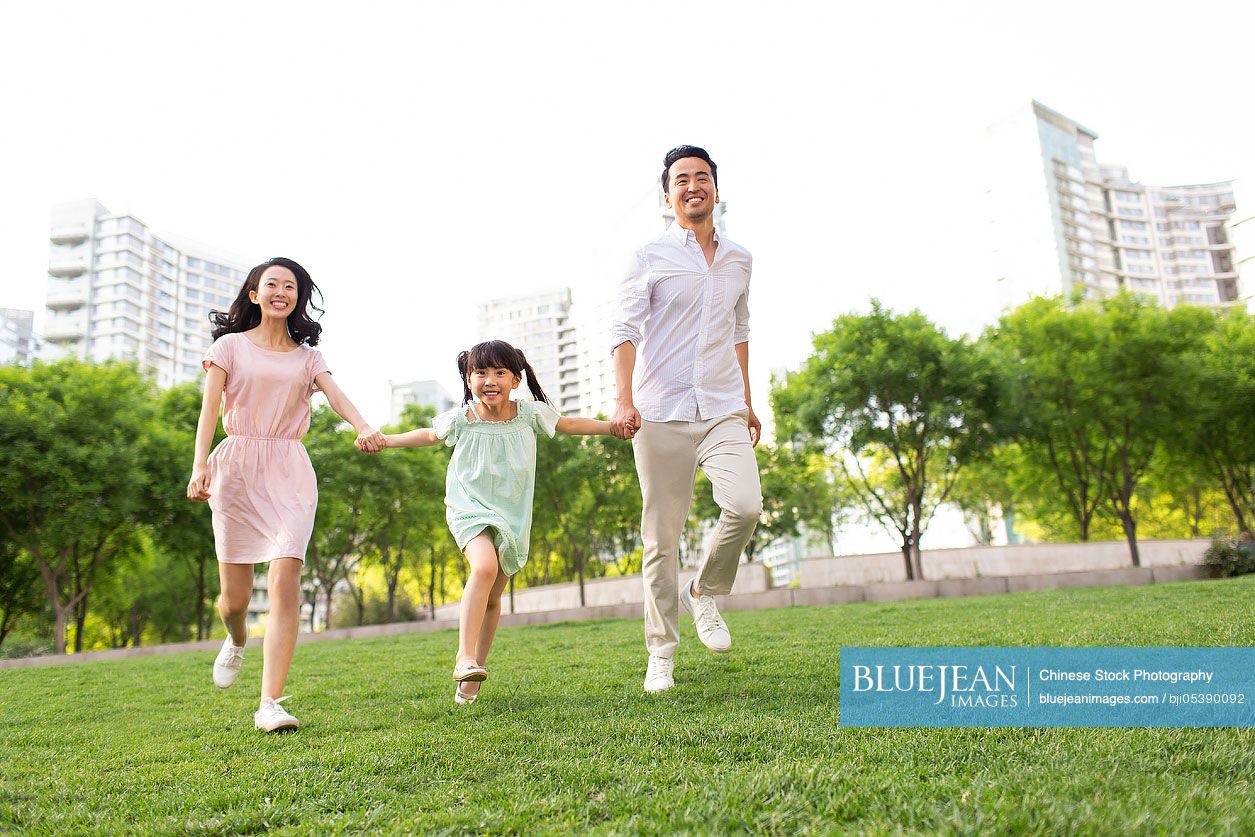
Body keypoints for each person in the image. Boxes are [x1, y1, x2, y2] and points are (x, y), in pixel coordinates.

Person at [186, 257, 384, 732]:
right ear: (253, 294)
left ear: (297, 297)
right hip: (235, 468)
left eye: (290, 286)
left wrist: (363, 426)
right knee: (233, 602)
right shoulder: (229, 347)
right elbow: (209, 410)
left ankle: (269, 703)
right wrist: (199, 467)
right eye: (270, 284)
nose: (281, 291)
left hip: (290, 469)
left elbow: (335, 396)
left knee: (284, 581)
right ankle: (236, 640)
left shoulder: (308, 357)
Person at [366, 339, 617, 704]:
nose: (490, 380)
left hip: (512, 512)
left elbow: (570, 423)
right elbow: (427, 435)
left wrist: (612, 427)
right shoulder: (462, 419)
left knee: (493, 597)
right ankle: (463, 656)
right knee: (483, 566)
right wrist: (384, 440)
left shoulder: (530, 414)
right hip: (468, 505)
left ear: (515, 380)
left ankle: (472, 676)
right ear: (469, 380)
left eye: (500, 372)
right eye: (480, 372)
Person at [610, 145, 763, 694]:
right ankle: (662, 653)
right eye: (682, 179)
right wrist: (623, 399)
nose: (693, 186)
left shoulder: (741, 259)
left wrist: (747, 400)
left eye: (703, 178)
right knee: (661, 539)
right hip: (660, 412)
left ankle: (705, 591)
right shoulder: (648, 255)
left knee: (745, 505)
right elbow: (624, 331)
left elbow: (739, 332)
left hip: (722, 406)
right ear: (667, 194)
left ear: (716, 190)